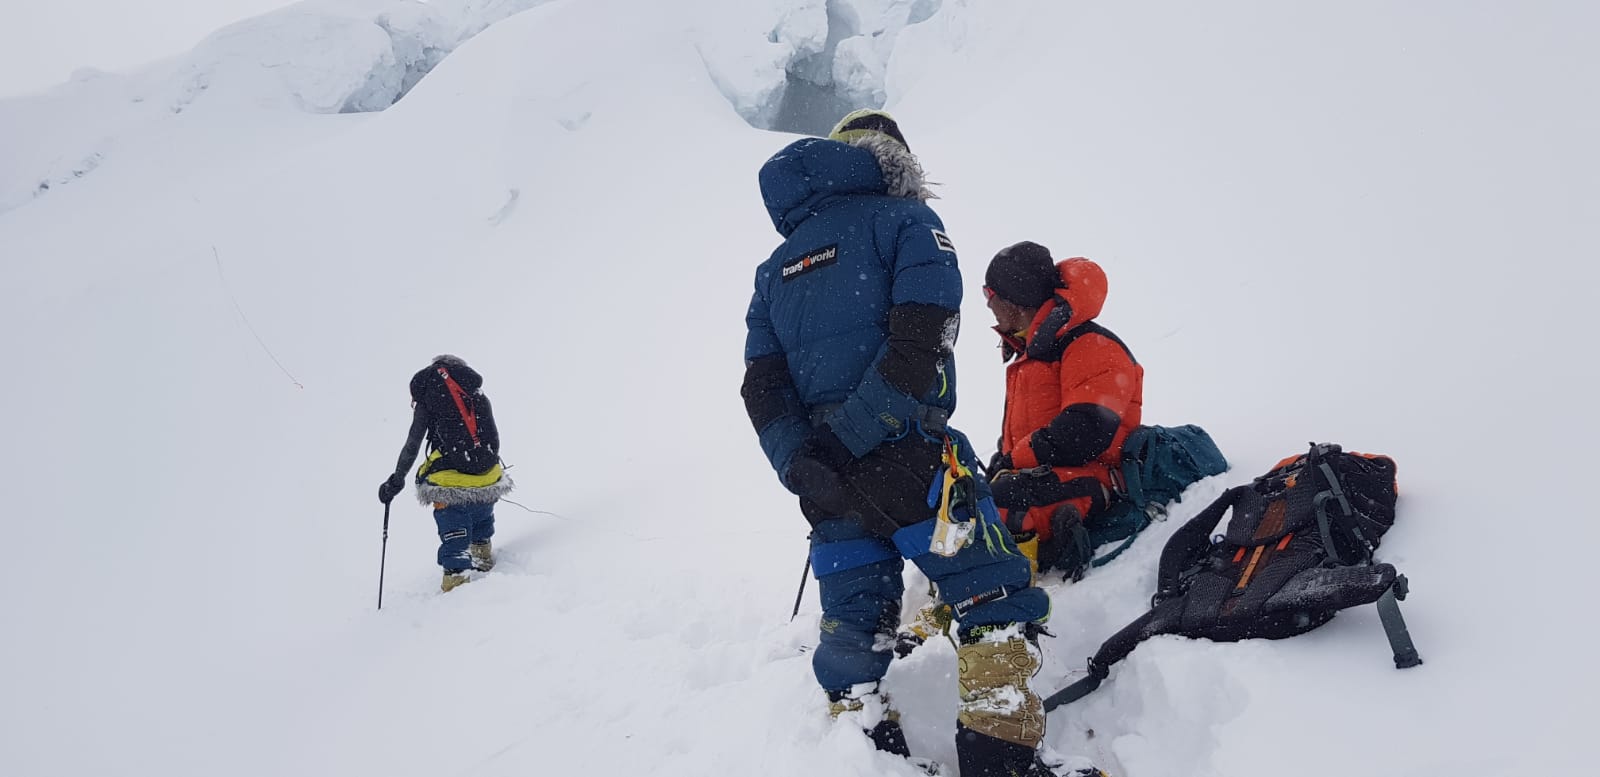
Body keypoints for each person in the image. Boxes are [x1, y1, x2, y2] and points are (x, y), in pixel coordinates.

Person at [742, 110, 1094, 777]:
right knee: (992, 591)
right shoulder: (908, 224)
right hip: (910, 460)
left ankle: (868, 753)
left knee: (854, 621)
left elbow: (761, 388)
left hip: (826, 483)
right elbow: (920, 341)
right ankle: (1001, 756)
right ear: (890, 163)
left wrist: (804, 461)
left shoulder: (772, 269)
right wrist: (852, 440)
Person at [983, 242, 1144, 579]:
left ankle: (1009, 594)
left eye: (990, 294)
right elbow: (1030, 431)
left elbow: (1086, 432)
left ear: (1014, 299)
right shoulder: (1033, 354)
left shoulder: (1089, 346)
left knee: (995, 507)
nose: (988, 305)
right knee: (965, 502)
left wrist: (1015, 461)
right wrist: (1003, 459)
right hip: (1049, 476)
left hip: (1101, 481)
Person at [377, 355, 513, 592]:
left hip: (450, 482)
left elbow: (413, 444)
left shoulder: (431, 395)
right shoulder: (477, 394)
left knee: (455, 531)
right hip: (488, 477)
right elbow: (494, 439)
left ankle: (455, 586)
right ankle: (482, 552)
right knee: (481, 518)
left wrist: (396, 481)